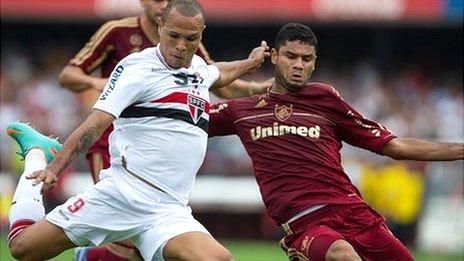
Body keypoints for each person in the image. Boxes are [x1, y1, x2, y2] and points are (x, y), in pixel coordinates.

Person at [7, 1, 270, 260]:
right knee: (23, 248)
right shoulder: (137, 68)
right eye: (174, 36)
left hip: (168, 210)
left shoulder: (199, 68)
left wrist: (250, 64)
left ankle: (92, 255)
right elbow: (94, 125)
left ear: (201, 32)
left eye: (191, 38)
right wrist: (53, 169)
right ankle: (37, 153)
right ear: (161, 25)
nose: (181, 46)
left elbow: (219, 72)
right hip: (122, 195)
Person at [208, 23, 464, 261]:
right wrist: (242, 67)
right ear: (274, 56)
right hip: (305, 224)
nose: (298, 65)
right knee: (343, 255)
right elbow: (188, 114)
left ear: (314, 63)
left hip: (354, 213)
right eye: (291, 56)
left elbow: (393, 146)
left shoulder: (325, 98)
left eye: (306, 59)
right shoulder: (243, 111)